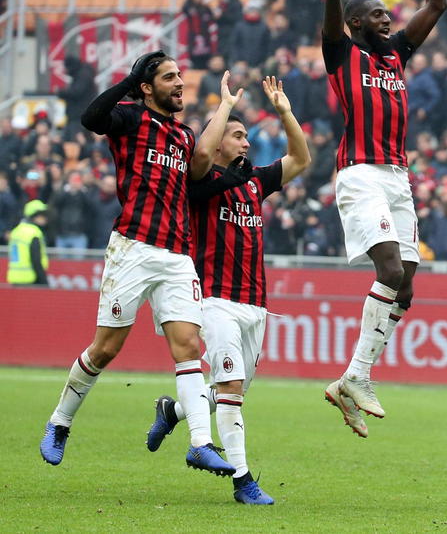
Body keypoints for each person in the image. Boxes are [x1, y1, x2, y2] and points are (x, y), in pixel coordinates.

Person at [38, 50, 240, 479]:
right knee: (105, 349)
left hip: (177, 255)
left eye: (180, 75)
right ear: (146, 87)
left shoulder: (183, 135)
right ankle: (60, 421)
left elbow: (202, 167)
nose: (180, 82)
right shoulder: (129, 119)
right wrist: (129, 83)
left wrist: (225, 111)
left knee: (188, 347)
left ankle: (201, 444)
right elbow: (91, 118)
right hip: (133, 248)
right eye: (170, 77)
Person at [312, 0, 447, 437]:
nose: (387, 18)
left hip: (397, 174)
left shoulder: (396, 54)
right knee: (390, 271)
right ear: (354, 24)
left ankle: (350, 378)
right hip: (360, 171)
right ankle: (359, 378)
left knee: (407, 284)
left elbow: (436, 4)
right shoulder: (341, 51)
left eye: (389, 13)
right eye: (376, 14)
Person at [143, 76, 310, 504]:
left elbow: (300, 159)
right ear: (218, 143)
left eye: (247, 137)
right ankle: (243, 481)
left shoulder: (253, 182)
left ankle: (174, 410)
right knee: (232, 390)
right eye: (237, 135)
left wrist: (285, 112)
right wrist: (223, 109)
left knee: (226, 391)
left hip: (256, 305)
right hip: (216, 300)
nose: (245, 143)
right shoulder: (198, 185)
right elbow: (199, 157)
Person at [6, 199, 48, 285]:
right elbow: (36, 260)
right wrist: (44, 282)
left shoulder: (16, 231)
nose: (45, 217)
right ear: (34, 216)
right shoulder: (33, 233)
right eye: (42, 214)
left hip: (14, 278)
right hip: (30, 280)